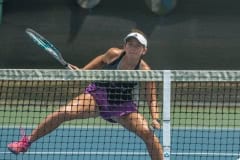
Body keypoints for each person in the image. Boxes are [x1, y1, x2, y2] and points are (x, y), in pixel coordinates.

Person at [7, 29, 163, 160]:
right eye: (130, 44)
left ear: (144, 50)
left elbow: (151, 98)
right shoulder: (114, 54)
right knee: (64, 112)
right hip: (98, 95)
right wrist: (83, 72)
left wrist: (155, 117)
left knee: (148, 135)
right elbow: (101, 60)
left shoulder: (145, 71)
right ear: (125, 45)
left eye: (138, 46)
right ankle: (26, 143)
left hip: (122, 105)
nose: (133, 47)